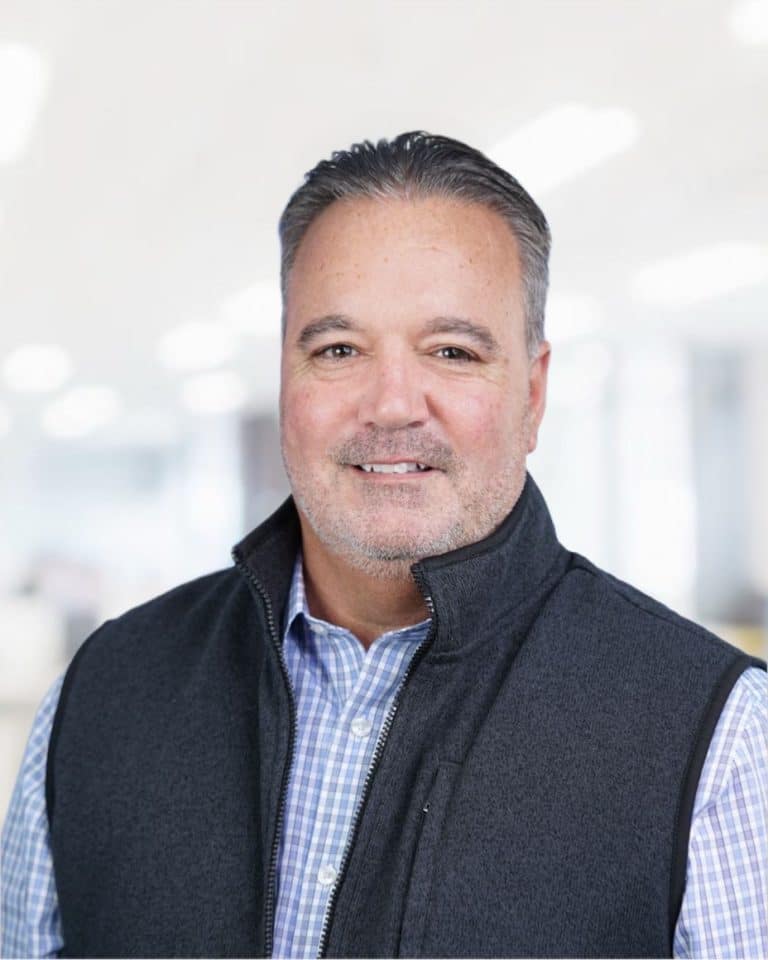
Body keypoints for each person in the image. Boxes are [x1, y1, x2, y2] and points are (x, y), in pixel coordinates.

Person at [1, 132, 766, 960]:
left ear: (533, 394)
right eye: (339, 349)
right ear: (286, 376)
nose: (393, 404)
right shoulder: (104, 692)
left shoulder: (717, 742)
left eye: (452, 352)